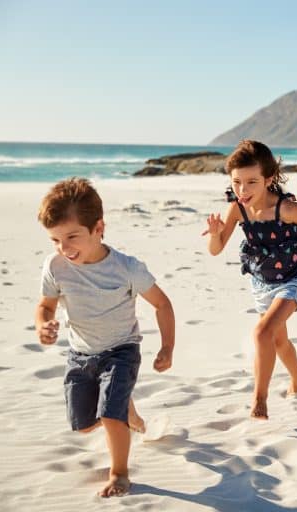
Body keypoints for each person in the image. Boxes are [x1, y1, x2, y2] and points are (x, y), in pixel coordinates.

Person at [35, 177, 175, 497]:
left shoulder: (127, 268)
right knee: (84, 424)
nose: (64, 248)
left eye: (72, 237)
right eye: (55, 240)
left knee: (109, 417)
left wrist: (167, 347)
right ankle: (126, 408)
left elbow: (162, 303)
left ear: (98, 228)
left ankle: (120, 473)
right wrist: (43, 323)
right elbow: (45, 305)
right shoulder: (55, 266)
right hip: (80, 354)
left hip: (121, 350)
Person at [204, 140, 297, 420]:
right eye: (237, 182)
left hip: (292, 280)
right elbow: (215, 250)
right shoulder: (237, 209)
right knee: (277, 341)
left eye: (252, 182)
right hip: (262, 283)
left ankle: (259, 400)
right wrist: (216, 233)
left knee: (262, 333)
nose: (243, 190)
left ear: (269, 179)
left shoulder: (285, 209)